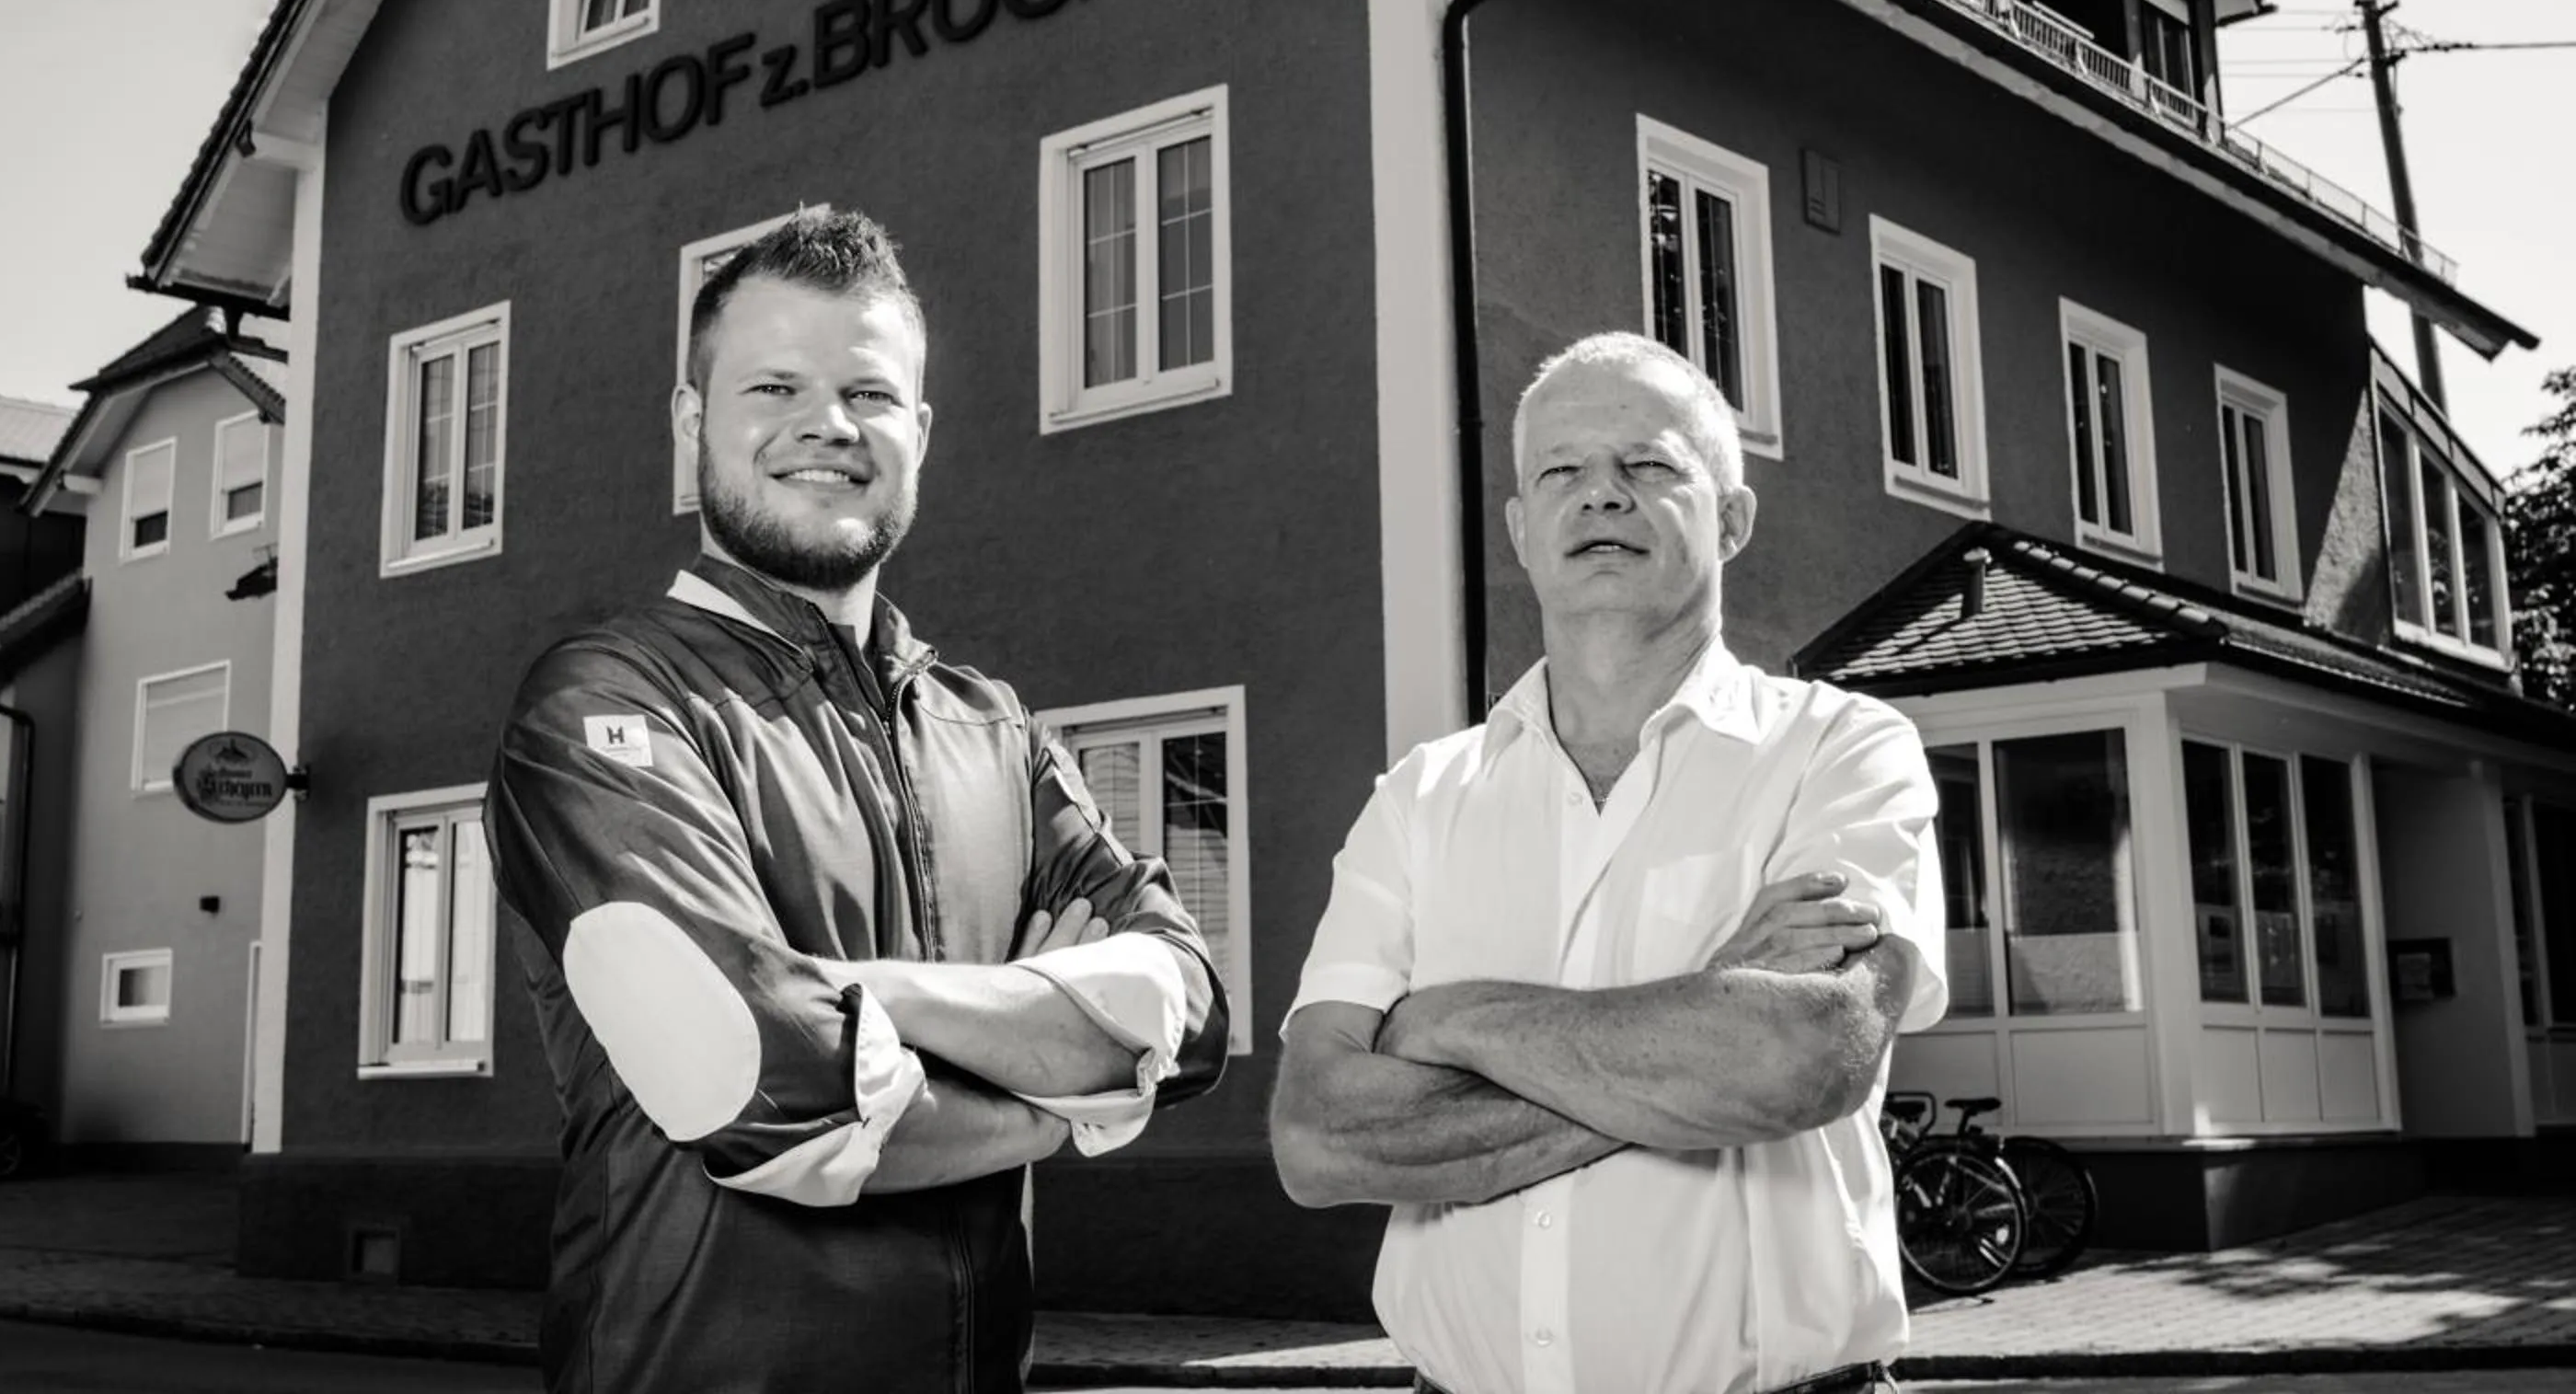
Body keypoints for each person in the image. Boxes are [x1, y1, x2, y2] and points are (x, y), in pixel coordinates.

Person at [487, 207, 1228, 1394]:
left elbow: (1190, 1014)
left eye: (870, 395)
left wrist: (870, 1000)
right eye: (772, 385)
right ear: (691, 423)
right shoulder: (605, 702)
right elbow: (755, 1083)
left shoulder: (992, 726)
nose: (827, 425)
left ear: (920, 431)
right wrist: (1066, 1088)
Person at [1271, 331, 1947, 1394]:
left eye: (1649, 464)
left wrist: (1449, 1020)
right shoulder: (1420, 797)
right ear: (1521, 528)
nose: (1601, 495)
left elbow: (1802, 1058)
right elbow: (1317, 1137)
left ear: (1732, 517)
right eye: (1561, 470)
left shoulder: (1841, 749)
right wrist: (1697, 1022)